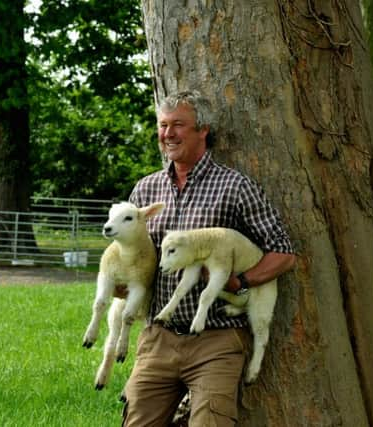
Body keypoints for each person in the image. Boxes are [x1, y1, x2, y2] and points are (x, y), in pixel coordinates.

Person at [121, 90, 297, 427]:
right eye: (162, 125)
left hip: (217, 342)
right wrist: (125, 283)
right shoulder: (146, 190)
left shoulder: (235, 187)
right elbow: (136, 257)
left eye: (178, 125)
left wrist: (239, 282)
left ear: (203, 130)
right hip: (159, 338)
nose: (167, 134)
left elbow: (283, 253)